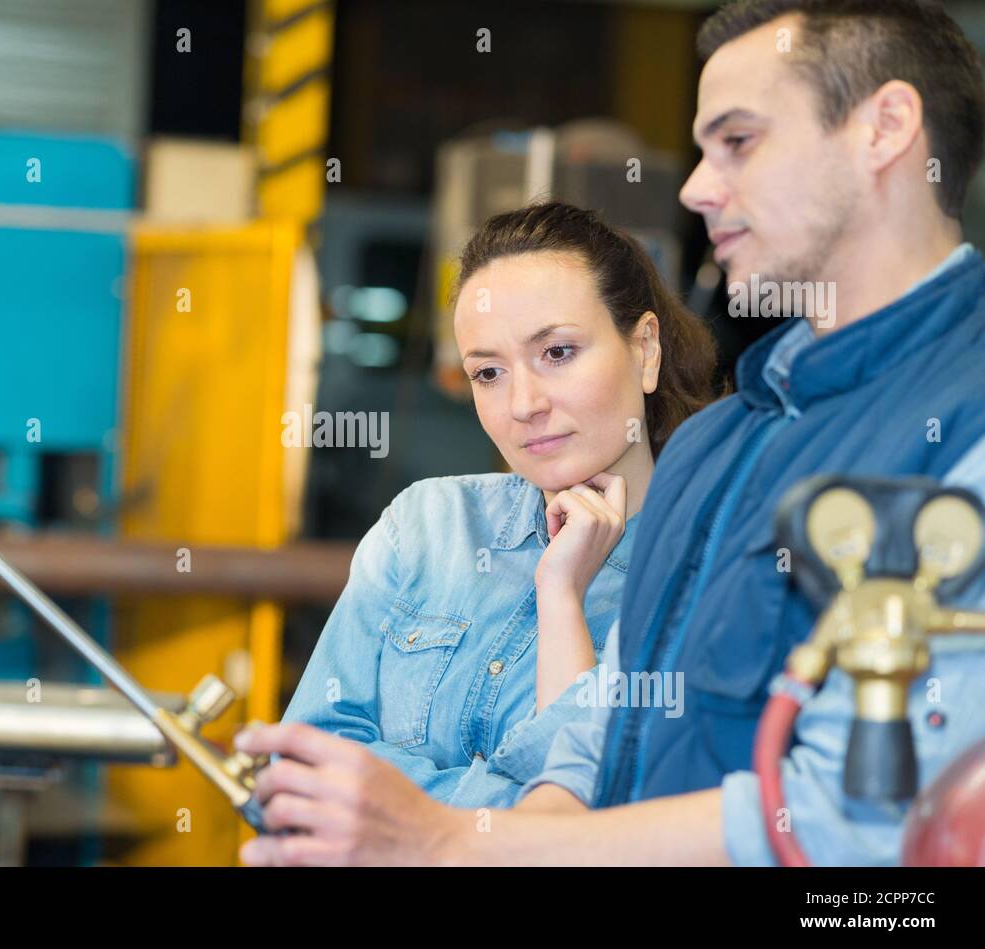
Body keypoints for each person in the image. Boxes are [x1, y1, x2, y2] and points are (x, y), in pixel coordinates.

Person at [236, 0, 985, 865]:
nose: (696, 187)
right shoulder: (721, 449)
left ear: (885, 128)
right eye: (487, 370)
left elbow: (869, 825)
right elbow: (596, 739)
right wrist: (490, 839)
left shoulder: (956, 420)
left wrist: (445, 840)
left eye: (737, 142)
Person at [281, 202, 718, 807]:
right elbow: (304, 767)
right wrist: (507, 808)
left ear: (644, 349)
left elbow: (592, 825)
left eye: (557, 353)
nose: (523, 403)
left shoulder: (708, 578)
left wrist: (562, 594)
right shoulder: (428, 528)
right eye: (489, 373)